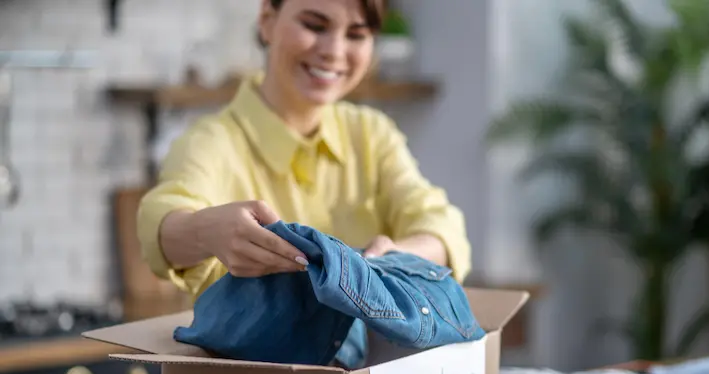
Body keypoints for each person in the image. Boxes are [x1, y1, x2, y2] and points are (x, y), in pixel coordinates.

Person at [136, 0, 471, 305]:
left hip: (367, 370)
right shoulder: (210, 142)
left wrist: (399, 256)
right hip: (249, 371)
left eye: (356, 34)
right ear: (267, 20)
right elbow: (162, 227)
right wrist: (205, 231)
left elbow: (442, 228)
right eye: (314, 26)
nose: (334, 51)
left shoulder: (372, 135)